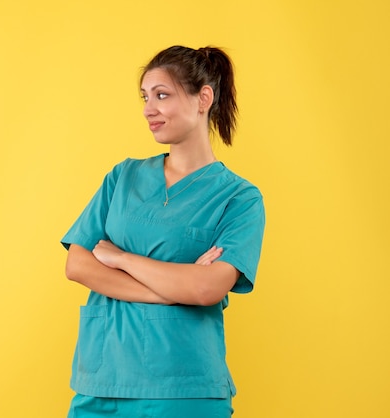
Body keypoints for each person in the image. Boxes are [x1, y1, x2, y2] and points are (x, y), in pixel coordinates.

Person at [60, 45, 266, 418]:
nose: (148, 109)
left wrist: (122, 259)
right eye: (145, 97)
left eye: (162, 95)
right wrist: (172, 292)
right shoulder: (123, 177)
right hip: (101, 381)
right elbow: (78, 264)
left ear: (203, 98)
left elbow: (206, 287)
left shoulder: (239, 198)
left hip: (183, 388)